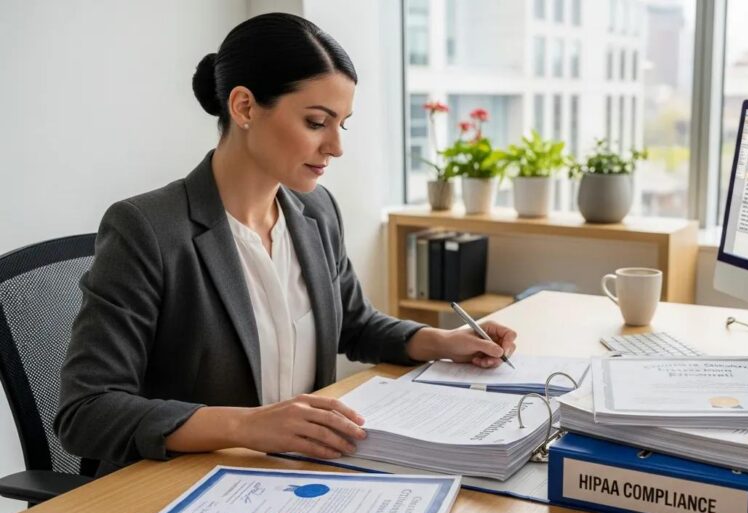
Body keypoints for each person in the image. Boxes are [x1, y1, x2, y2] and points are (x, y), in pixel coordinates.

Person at [54, 13, 517, 476]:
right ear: (245, 108)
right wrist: (245, 426)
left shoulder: (315, 213)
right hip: (178, 486)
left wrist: (440, 340)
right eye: (317, 122)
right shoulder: (146, 229)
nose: (335, 146)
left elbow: (354, 323)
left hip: (294, 474)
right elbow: (86, 410)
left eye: (343, 125)